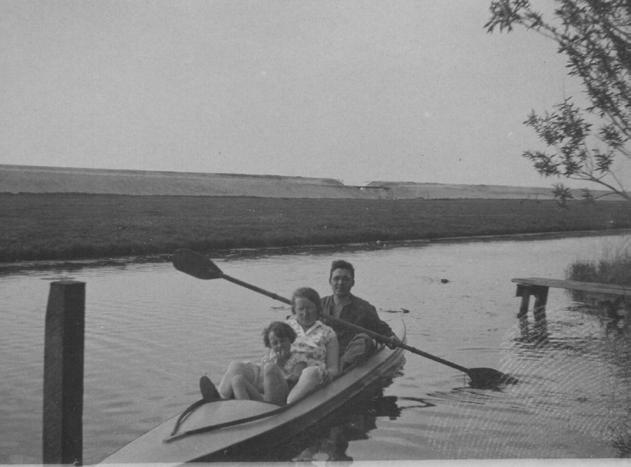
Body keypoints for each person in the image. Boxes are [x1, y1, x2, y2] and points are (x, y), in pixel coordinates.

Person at [201, 321, 307, 405]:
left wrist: (279, 365)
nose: (279, 345)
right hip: (264, 397)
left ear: (290, 340)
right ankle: (232, 404)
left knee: (270, 368)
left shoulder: (299, 359)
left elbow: (294, 380)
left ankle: (257, 408)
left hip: (280, 397)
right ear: (270, 346)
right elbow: (261, 382)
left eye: (282, 341)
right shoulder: (268, 358)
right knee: (237, 380)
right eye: (275, 343)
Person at [321, 259, 400, 370]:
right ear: (330, 281)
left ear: (352, 283)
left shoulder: (364, 308)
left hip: (349, 355)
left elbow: (382, 330)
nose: (340, 283)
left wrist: (391, 339)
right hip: (326, 352)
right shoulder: (318, 305)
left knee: (364, 340)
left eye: (345, 279)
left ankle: (340, 368)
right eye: (336, 278)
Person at [285, 287, 340, 404]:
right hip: (285, 374)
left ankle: (289, 404)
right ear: (294, 310)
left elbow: (333, 369)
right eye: (301, 309)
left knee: (310, 372)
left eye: (309, 308)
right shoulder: (285, 327)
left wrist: (325, 374)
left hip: (311, 377)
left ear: (317, 309)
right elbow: (271, 355)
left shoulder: (328, 332)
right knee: (243, 367)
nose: (305, 313)